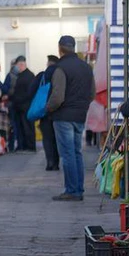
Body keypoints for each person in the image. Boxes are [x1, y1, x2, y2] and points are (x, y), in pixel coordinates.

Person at [46, 35, 95, 201]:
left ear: (60, 48)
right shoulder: (86, 67)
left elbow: (57, 96)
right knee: (76, 152)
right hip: (80, 115)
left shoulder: (61, 68)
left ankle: (72, 190)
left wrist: (48, 108)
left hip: (63, 116)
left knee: (67, 154)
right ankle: (78, 188)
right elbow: (92, 93)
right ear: (73, 47)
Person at [34, 55, 60, 170]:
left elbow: (32, 89)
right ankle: (57, 162)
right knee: (57, 138)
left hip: (45, 112)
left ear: (48, 63)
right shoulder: (61, 74)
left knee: (47, 138)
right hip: (58, 111)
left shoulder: (42, 76)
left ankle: (50, 162)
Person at [9, 56, 36, 151]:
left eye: (17, 65)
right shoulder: (22, 75)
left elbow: (28, 92)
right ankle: (23, 145)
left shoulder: (28, 76)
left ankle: (30, 146)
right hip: (20, 106)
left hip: (25, 106)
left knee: (27, 127)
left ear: (21, 65)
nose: (16, 68)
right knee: (22, 127)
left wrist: (18, 99)